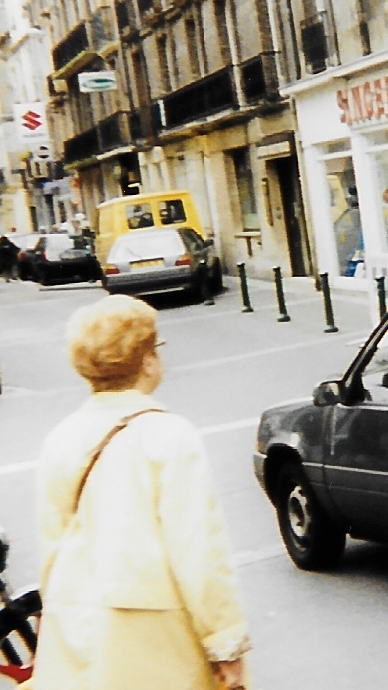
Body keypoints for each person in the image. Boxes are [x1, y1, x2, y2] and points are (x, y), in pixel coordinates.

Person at [34, 295, 251, 689]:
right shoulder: (170, 434)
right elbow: (198, 550)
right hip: (154, 636)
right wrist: (225, 643)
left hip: (76, 635)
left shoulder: (60, 438)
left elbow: (52, 548)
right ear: (147, 361)